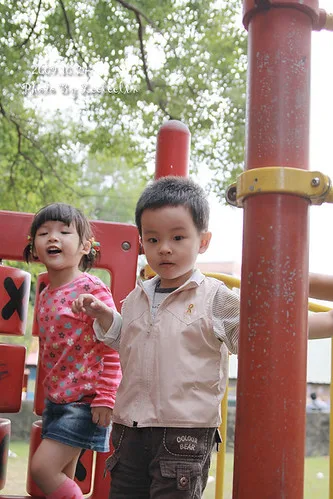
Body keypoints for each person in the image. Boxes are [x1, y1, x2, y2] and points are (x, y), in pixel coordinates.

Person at [71, 177, 333, 499]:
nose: (164, 247)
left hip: (185, 432)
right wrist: (107, 316)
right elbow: (129, 343)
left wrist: (328, 321)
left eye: (178, 237)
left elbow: (271, 327)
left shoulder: (214, 298)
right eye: (152, 240)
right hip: (130, 430)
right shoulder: (136, 298)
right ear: (142, 242)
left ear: (203, 240)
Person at [23, 203, 121, 499]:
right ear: (33, 246)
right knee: (62, 479)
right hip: (57, 400)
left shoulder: (91, 290)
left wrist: (106, 396)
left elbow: (114, 344)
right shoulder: (47, 294)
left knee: (42, 469)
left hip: (84, 401)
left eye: (65, 232)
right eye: (44, 233)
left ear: (85, 247)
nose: (53, 238)